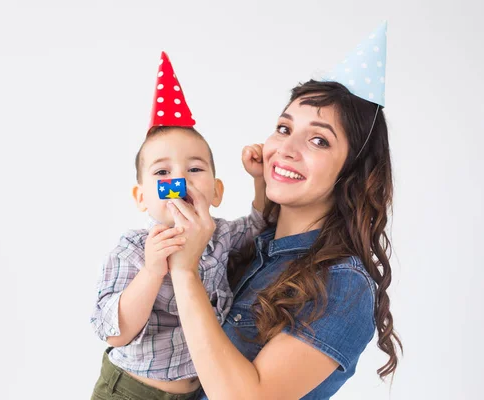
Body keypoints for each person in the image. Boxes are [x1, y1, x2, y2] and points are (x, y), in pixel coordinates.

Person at [165, 22, 402, 399]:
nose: (287, 149)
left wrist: (184, 271)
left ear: (352, 172)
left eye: (319, 140)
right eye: (283, 127)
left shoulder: (343, 285)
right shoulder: (258, 249)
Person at [89, 52, 266, 400]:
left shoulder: (223, 234)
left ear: (216, 192)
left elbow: (261, 225)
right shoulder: (133, 249)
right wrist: (153, 271)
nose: (179, 182)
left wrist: (259, 181)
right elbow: (115, 332)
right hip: (129, 390)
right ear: (141, 197)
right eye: (162, 173)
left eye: (194, 169)